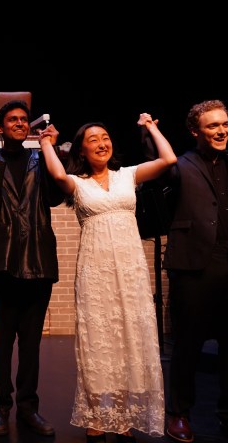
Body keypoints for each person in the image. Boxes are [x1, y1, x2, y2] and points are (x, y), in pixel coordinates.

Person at [39, 114, 175, 441]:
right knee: (98, 342)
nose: (101, 143)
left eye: (105, 137)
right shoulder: (78, 182)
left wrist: (151, 126)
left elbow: (168, 159)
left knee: (129, 338)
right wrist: (46, 141)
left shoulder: (127, 175)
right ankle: (97, 414)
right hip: (95, 269)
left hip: (129, 271)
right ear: (83, 151)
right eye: (93, 140)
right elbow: (57, 173)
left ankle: (124, 415)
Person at [0, 100, 64, 437]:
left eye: (24, 119)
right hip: (2, 262)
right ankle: (1, 406)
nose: (19, 123)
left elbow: (55, 198)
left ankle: (29, 408)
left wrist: (51, 149)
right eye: (12, 119)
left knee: (30, 343)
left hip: (38, 261)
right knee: (1, 340)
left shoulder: (42, 159)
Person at [154, 100, 228, 443]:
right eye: (213, 126)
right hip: (194, 266)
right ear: (195, 131)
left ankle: (226, 413)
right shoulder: (180, 165)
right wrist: (149, 133)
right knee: (187, 346)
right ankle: (179, 414)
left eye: (224, 124)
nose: (221, 130)